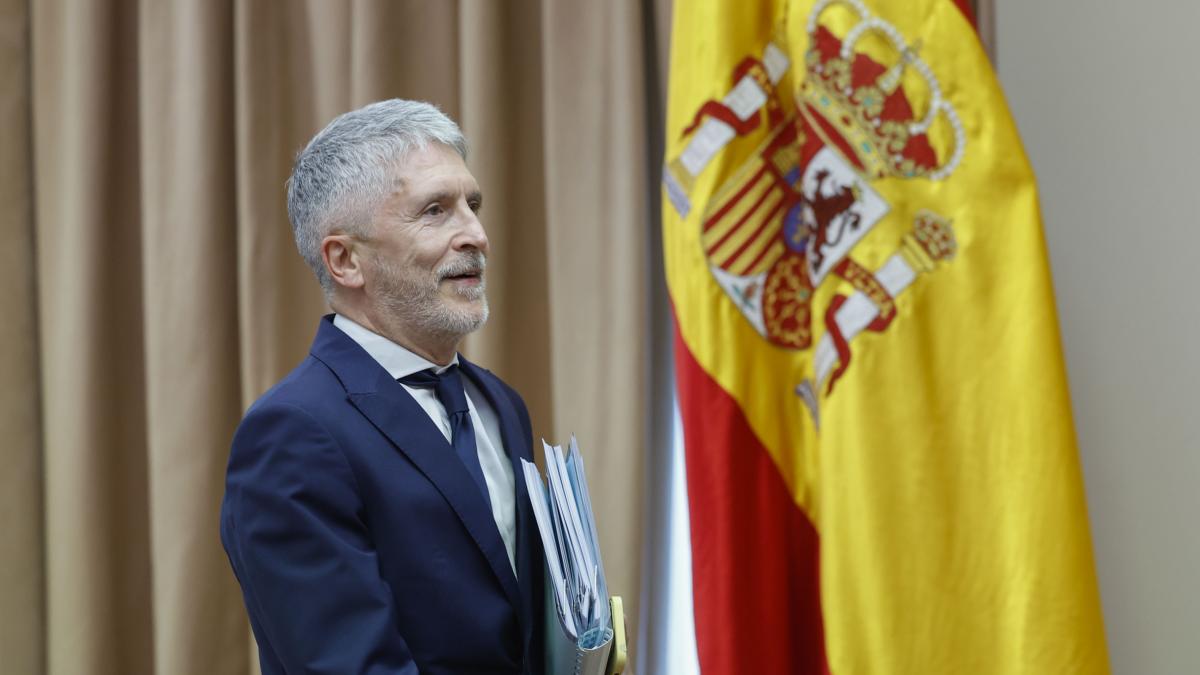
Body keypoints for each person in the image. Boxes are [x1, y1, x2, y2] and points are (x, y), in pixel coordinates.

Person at [220, 99, 544, 675]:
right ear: (345, 261)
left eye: (472, 205)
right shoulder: (292, 434)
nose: (476, 235)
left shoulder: (499, 404)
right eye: (435, 211)